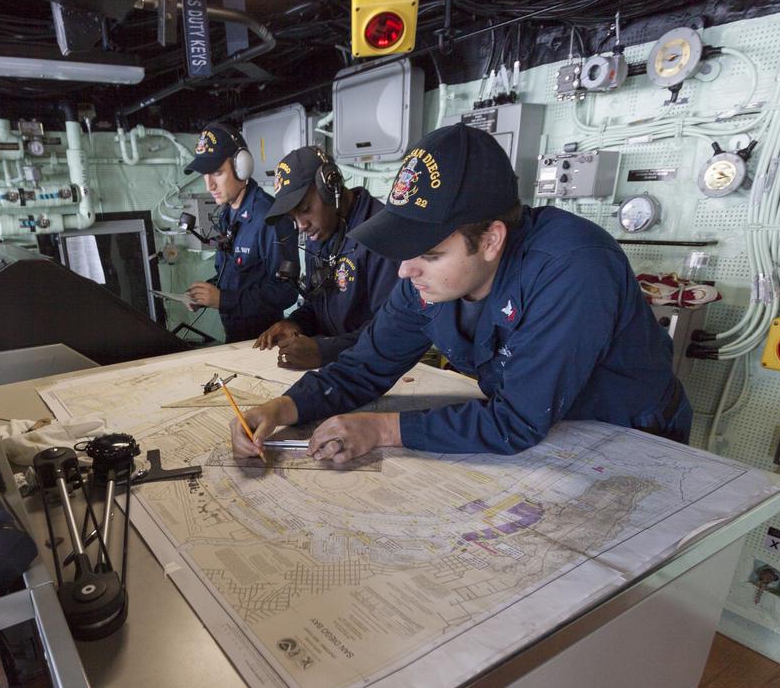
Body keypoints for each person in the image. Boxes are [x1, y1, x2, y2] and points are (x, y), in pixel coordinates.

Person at [231, 123, 690, 462]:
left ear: (490, 240)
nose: (406, 270)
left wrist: (382, 429)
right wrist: (283, 406)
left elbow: (516, 421)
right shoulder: (426, 278)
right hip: (544, 435)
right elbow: (363, 367)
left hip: (631, 437)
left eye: (428, 254)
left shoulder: (573, 269)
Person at [252, 146, 401, 369]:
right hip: (339, 366)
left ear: (330, 187)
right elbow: (319, 305)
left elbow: (391, 332)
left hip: (381, 370)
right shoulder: (321, 234)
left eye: (304, 209)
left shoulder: (381, 235)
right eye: (293, 217)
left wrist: (325, 351)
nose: (301, 226)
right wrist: (294, 323)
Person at [182, 121, 299, 342]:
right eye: (204, 175)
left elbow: (287, 291)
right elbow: (234, 274)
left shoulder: (270, 217)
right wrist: (206, 293)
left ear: (241, 167)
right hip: (234, 335)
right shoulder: (227, 214)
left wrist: (223, 300)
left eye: (216, 172)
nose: (209, 186)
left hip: (265, 341)